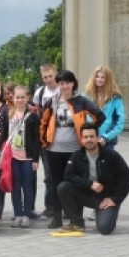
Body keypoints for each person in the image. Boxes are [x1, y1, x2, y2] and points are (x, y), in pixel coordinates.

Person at [39, 69, 105, 229]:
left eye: (67, 82)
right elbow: (43, 121)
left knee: (75, 183)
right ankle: (56, 217)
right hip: (54, 150)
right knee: (55, 184)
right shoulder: (52, 101)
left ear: (73, 83)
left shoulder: (81, 101)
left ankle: (75, 217)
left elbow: (100, 116)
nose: (64, 86)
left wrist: (88, 131)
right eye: (61, 83)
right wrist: (44, 141)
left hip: (75, 149)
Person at [57, 123, 129, 235]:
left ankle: (108, 213)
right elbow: (68, 175)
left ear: (97, 138)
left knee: (104, 228)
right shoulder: (77, 155)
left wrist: (115, 199)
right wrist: (89, 184)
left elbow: (126, 178)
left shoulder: (111, 155)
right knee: (63, 187)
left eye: (91, 137)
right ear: (82, 139)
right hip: (87, 195)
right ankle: (76, 223)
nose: (89, 140)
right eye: (86, 137)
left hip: (106, 198)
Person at [0, 86, 39, 228]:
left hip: (27, 158)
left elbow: (36, 140)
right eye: (17, 97)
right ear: (12, 98)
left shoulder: (32, 116)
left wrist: (36, 159)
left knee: (27, 186)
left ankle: (26, 214)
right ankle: (18, 213)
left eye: (22, 97)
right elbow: (3, 135)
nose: (19, 100)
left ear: (27, 98)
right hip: (12, 157)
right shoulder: (9, 114)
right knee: (15, 186)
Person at [32, 63, 60, 219]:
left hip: (62, 136)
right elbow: (38, 114)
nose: (48, 80)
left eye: (50, 76)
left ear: (56, 74)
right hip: (45, 139)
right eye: (45, 77)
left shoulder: (62, 89)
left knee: (63, 173)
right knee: (49, 175)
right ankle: (50, 206)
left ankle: (65, 205)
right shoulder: (40, 93)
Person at [83, 65, 125, 150]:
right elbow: (83, 118)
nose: (99, 79)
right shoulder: (86, 96)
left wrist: (105, 137)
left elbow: (119, 122)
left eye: (103, 77)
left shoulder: (115, 98)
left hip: (107, 142)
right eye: (97, 76)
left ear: (108, 80)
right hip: (89, 139)